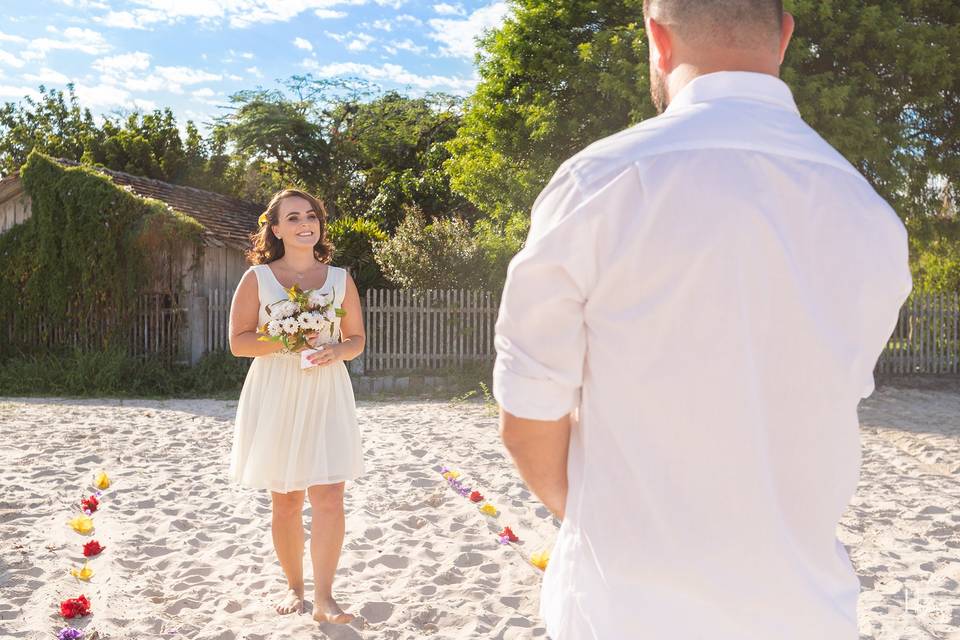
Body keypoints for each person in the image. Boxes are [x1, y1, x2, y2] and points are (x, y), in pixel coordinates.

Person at [493, 1, 912, 639]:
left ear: (657, 39)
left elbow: (528, 420)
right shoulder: (871, 216)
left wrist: (591, 515)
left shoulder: (599, 182)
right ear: (784, 36)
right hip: (804, 610)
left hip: (626, 609)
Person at [228, 188, 365, 624]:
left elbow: (357, 340)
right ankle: (294, 586)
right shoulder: (258, 279)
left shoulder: (340, 279)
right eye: (293, 218)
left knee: (330, 496)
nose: (305, 223)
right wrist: (286, 338)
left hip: (326, 389)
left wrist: (336, 352)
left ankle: (325, 597)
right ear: (275, 228)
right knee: (285, 500)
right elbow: (238, 342)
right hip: (277, 391)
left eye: (311, 215)